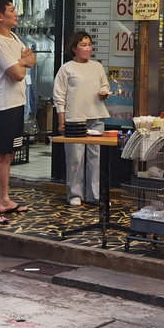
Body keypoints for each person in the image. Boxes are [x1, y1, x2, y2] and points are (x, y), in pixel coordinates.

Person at [0, 0, 35, 224]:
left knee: (8, 155)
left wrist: (21, 61)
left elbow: (31, 59)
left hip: (17, 104)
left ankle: (4, 199)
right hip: (2, 106)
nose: (16, 14)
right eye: (12, 10)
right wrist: (21, 63)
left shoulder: (13, 36)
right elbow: (18, 74)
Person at [53, 31, 109, 206]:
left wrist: (104, 93)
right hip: (74, 118)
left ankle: (94, 194)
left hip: (96, 115)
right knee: (75, 158)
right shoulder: (67, 68)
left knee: (95, 157)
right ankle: (75, 194)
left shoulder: (97, 66)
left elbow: (104, 85)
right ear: (74, 49)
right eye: (83, 45)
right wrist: (61, 120)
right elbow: (59, 96)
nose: (88, 48)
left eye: (90, 44)